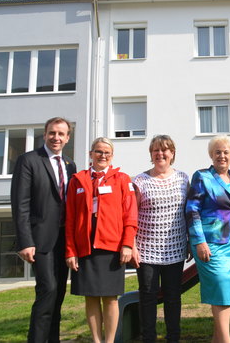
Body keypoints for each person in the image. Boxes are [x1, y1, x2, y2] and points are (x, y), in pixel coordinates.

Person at [65, 137, 137, 343]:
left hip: (112, 246)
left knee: (111, 298)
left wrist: (127, 244)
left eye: (107, 152)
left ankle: (110, 340)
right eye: (98, 151)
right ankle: (96, 340)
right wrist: (70, 250)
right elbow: (70, 219)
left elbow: (130, 214)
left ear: (112, 156)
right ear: (91, 154)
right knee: (91, 296)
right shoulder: (77, 180)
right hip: (85, 246)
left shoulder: (122, 179)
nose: (102, 155)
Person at [11, 117, 77, 343]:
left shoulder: (70, 165)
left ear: (68, 138)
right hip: (40, 240)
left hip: (64, 240)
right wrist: (25, 241)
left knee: (58, 293)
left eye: (61, 134)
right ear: (45, 134)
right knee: (47, 289)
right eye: (52, 133)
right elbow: (20, 204)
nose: (56, 137)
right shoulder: (28, 160)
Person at [185, 135, 230, 343]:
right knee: (222, 287)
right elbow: (192, 210)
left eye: (226, 152)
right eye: (218, 152)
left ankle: (217, 339)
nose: (222, 155)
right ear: (211, 155)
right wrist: (199, 241)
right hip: (210, 242)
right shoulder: (202, 176)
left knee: (227, 295)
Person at [131, 135, 190, 343]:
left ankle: (173, 338)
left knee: (173, 297)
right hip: (146, 250)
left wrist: (191, 239)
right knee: (147, 296)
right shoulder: (139, 181)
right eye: (155, 150)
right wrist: (132, 245)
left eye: (164, 150)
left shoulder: (183, 178)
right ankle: (149, 338)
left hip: (174, 248)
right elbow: (131, 215)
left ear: (172, 153)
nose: (160, 154)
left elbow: (188, 212)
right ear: (151, 154)